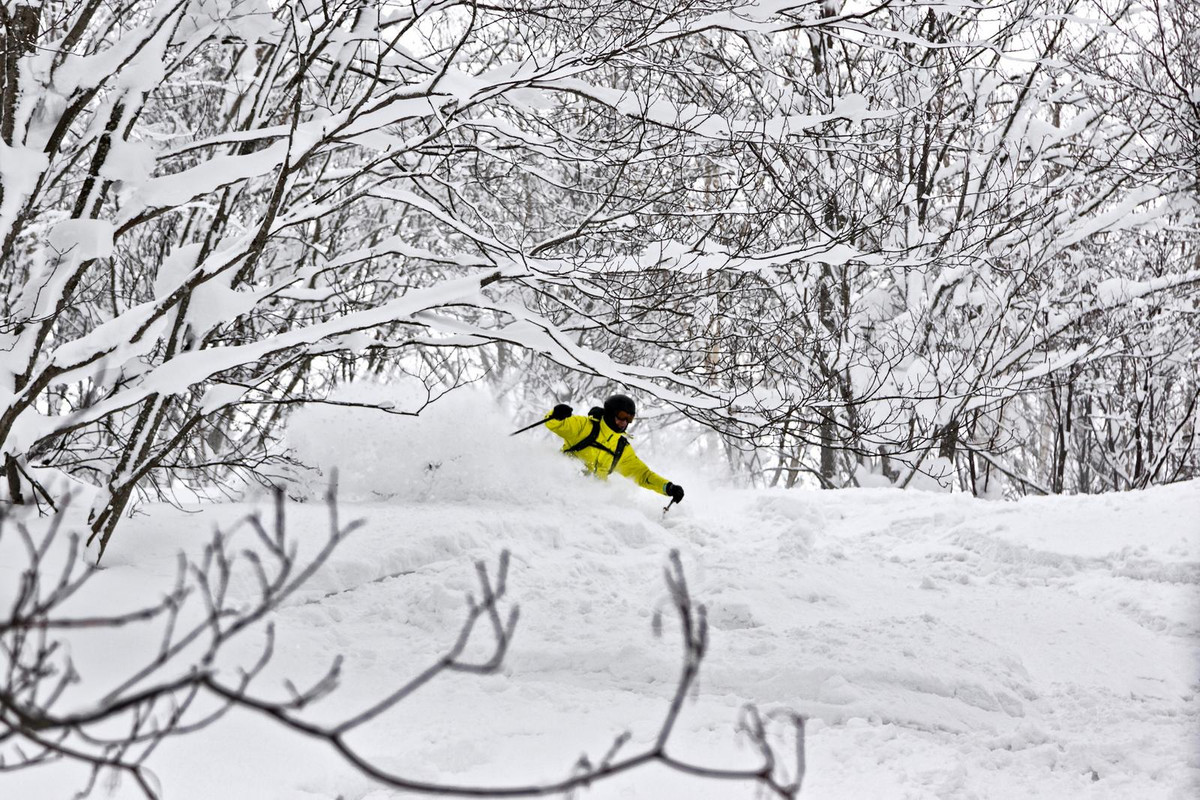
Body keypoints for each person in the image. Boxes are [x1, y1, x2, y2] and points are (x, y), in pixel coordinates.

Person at [544, 394, 685, 504]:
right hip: (561, 486)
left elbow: (642, 475)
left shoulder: (621, 448)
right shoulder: (585, 426)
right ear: (610, 413)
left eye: (629, 418)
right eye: (621, 416)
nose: (624, 422)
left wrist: (668, 487)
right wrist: (558, 413)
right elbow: (554, 424)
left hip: (591, 498)